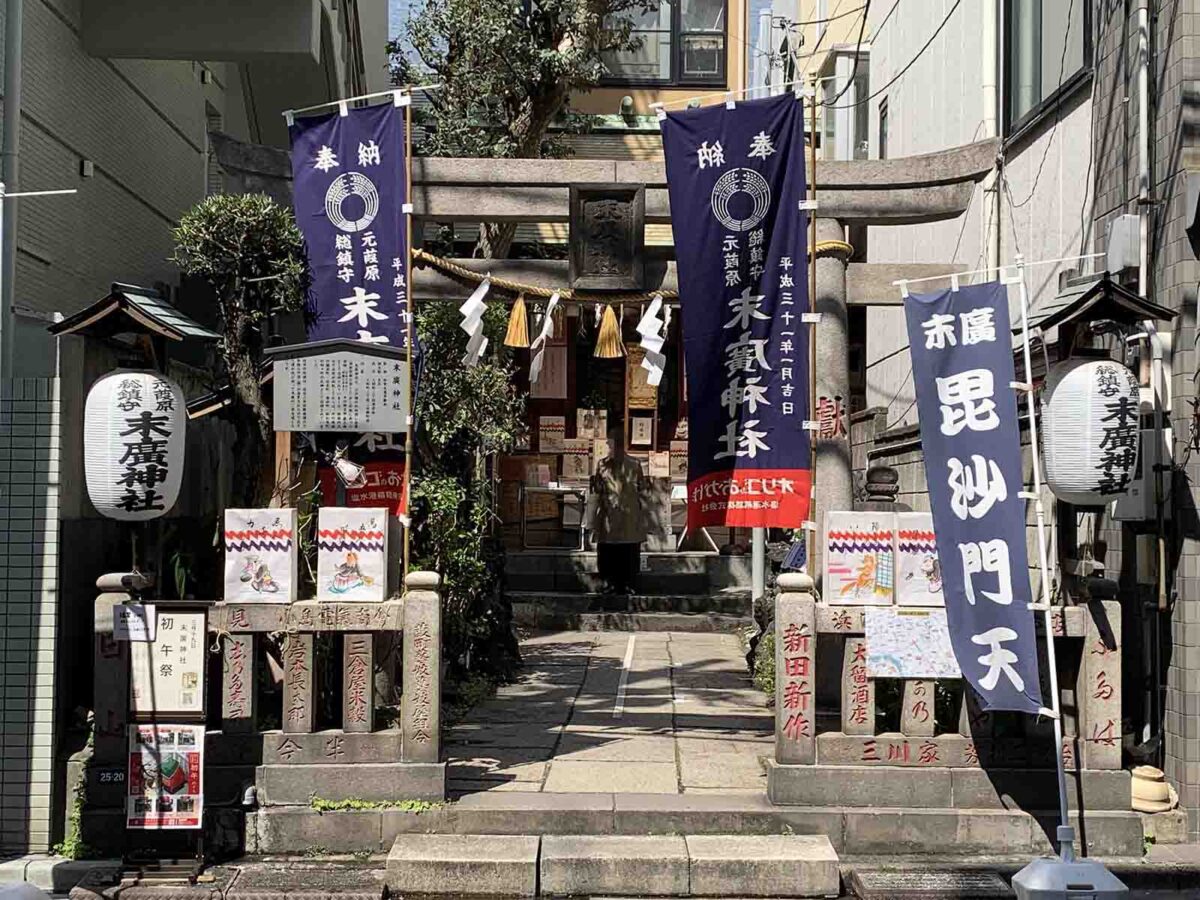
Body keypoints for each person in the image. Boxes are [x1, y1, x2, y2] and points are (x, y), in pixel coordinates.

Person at [591, 424, 647, 594]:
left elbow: (642, 487)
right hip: (610, 516)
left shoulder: (634, 465)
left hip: (627, 516)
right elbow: (598, 489)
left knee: (627, 552)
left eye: (611, 444)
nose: (610, 448)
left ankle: (626, 584)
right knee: (609, 552)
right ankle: (611, 583)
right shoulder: (603, 465)